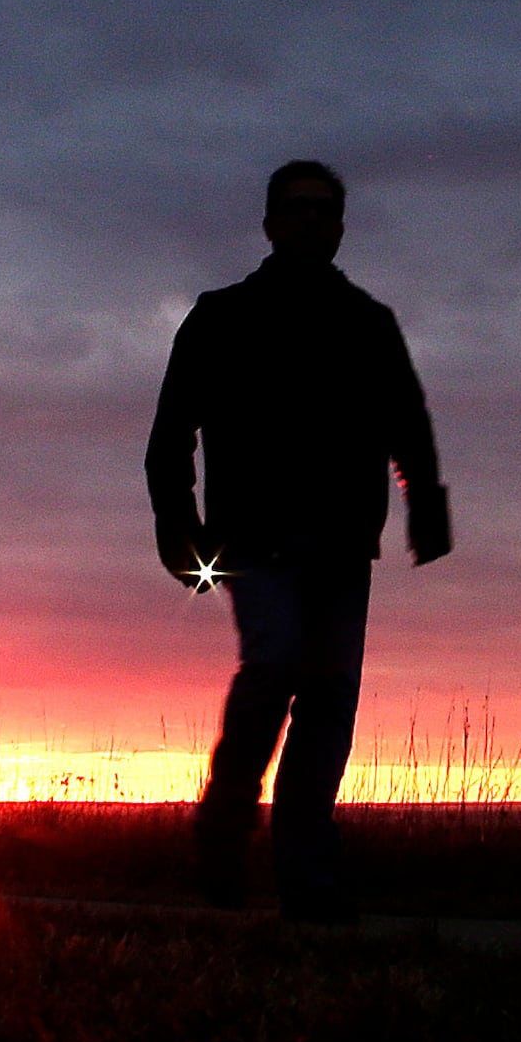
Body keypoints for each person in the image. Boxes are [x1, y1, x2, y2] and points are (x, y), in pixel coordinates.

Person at [144, 159, 449, 921]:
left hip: (344, 543)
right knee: (274, 664)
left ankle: (306, 878)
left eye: (325, 211)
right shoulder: (221, 317)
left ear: (340, 227)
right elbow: (171, 431)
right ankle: (224, 826)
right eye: (298, 209)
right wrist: (177, 527)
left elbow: (406, 421)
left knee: (327, 702)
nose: (312, 222)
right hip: (254, 538)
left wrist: (427, 507)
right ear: (272, 221)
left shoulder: (368, 323)